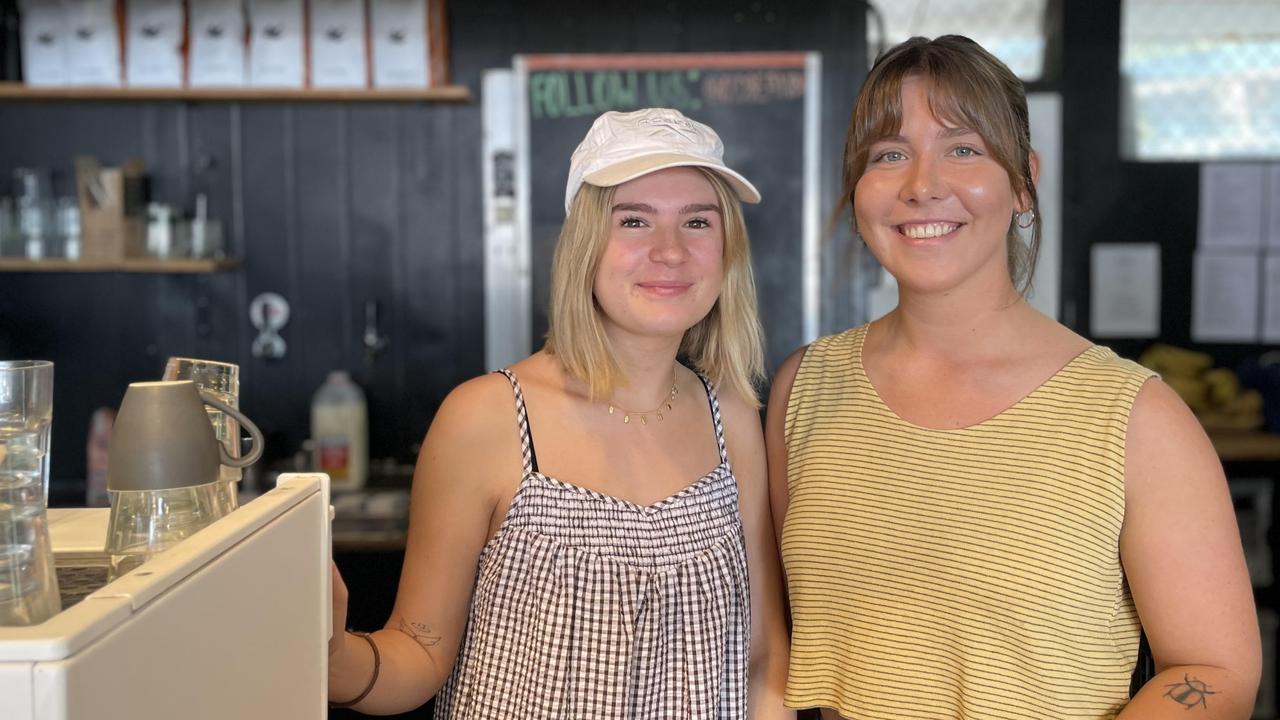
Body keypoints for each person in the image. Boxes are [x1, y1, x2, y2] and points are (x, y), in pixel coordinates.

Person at [766, 35, 1260, 720]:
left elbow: (1216, 670)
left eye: (962, 148)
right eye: (889, 154)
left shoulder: (1135, 416)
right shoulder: (805, 390)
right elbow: (776, 644)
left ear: (1024, 182)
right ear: (858, 190)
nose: (922, 184)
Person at [329, 107, 793, 719]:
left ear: (727, 249)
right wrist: (329, 653)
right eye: (634, 221)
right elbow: (419, 656)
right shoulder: (486, 416)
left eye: (698, 222)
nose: (670, 251)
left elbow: (763, 658)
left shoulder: (729, 414)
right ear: (585, 247)